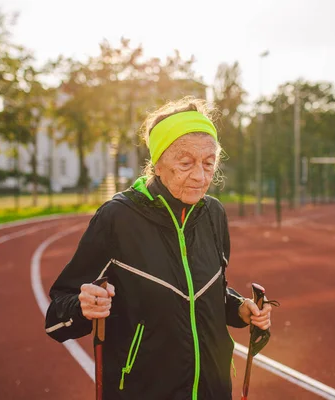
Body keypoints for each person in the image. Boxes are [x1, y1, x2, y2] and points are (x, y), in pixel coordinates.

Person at [44, 97, 274, 400]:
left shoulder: (214, 214)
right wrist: (83, 307)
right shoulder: (117, 218)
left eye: (208, 163)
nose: (200, 176)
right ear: (158, 164)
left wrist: (242, 309)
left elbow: (209, 293)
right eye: (185, 163)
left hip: (213, 390)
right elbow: (57, 318)